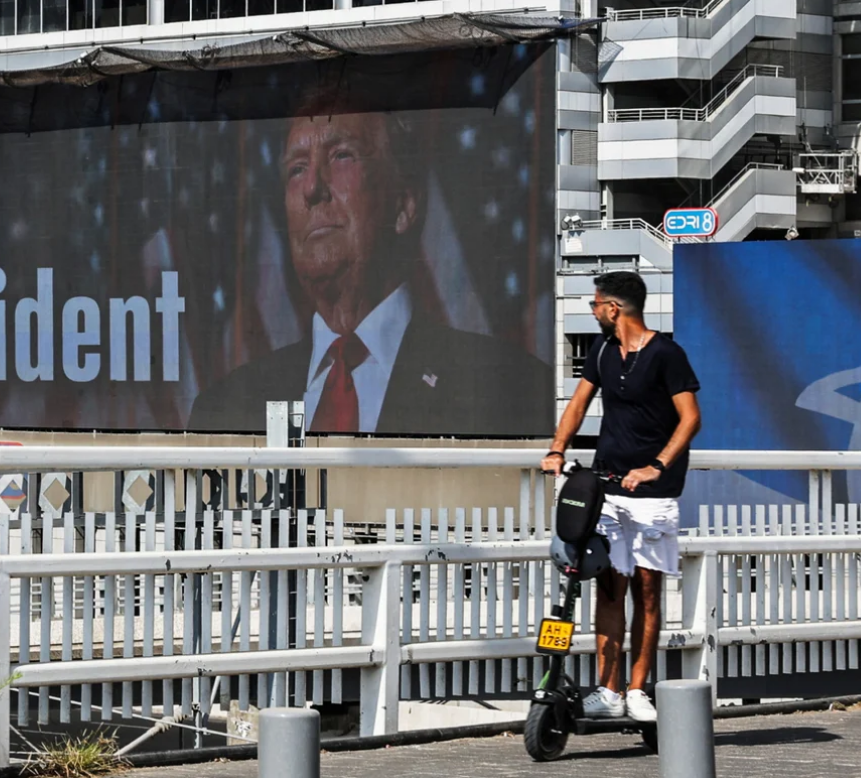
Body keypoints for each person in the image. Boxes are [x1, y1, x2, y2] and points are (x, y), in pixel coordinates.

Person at [187, 93, 550, 436]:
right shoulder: (222, 408)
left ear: (404, 205)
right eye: (297, 169)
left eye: (341, 156)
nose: (312, 187)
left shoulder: (507, 390)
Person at [541, 270, 701, 723]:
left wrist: (657, 466)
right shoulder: (602, 350)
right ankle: (608, 690)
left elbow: (690, 418)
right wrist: (557, 449)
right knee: (609, 588)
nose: (593, 311)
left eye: (595, 304)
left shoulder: (667, 354)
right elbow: (578, 404)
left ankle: (637, 689)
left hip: (654, 493)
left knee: (647, 592)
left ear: (613, 308)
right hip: (607, 488)